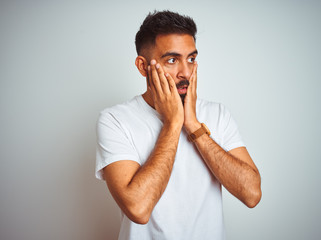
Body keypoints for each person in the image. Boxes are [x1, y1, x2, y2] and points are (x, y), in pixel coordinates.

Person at [95, 10, 261, 240]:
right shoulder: (115, 120)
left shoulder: (218, 114)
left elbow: (251, 194)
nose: (186, 72)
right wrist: (173, 124)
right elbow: (138, 209)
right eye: (172, 60)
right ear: (143, 66)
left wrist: (192, 124)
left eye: (191, 59)